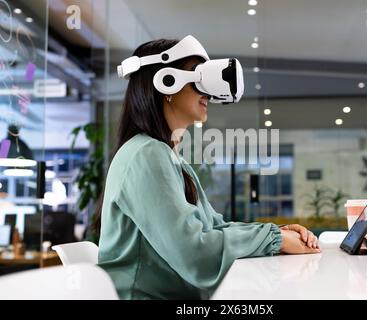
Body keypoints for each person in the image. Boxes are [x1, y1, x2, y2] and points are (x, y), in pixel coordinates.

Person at [97, 36, 321, 300]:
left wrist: (274, 233)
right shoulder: (146, 154)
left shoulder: (169, 157)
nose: (208, 91)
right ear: (166, 82)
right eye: (197, 77)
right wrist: (276, 240)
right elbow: (195, 254)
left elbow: (214, 227)